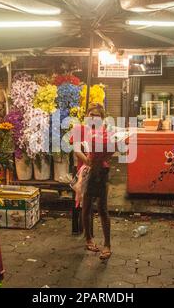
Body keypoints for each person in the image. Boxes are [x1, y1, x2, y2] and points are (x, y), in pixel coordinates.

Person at [72, 103, 114, 260]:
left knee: (103, 208)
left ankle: (107, 245)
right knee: (87, 206)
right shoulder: (79, 130)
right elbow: (77, 150)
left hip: (102, 172)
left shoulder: (105, 133)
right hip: (86, 172)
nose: (92, 117)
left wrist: (103, 157)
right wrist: (88, 160)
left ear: (102, 118)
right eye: (90, 114)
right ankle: (88, 239)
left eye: (96, 115)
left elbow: (110, 153)